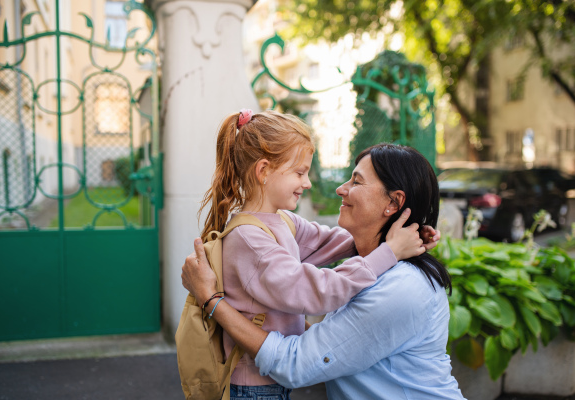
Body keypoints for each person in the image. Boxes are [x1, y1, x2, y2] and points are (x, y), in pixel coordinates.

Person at [183, 143, 465, 399]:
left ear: (393, 203)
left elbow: (296, 364)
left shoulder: (402, 287)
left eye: (356, 181)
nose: (340, 189)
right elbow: (325, 245)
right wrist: (391, 244)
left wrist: (211, 300)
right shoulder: (375, 264)